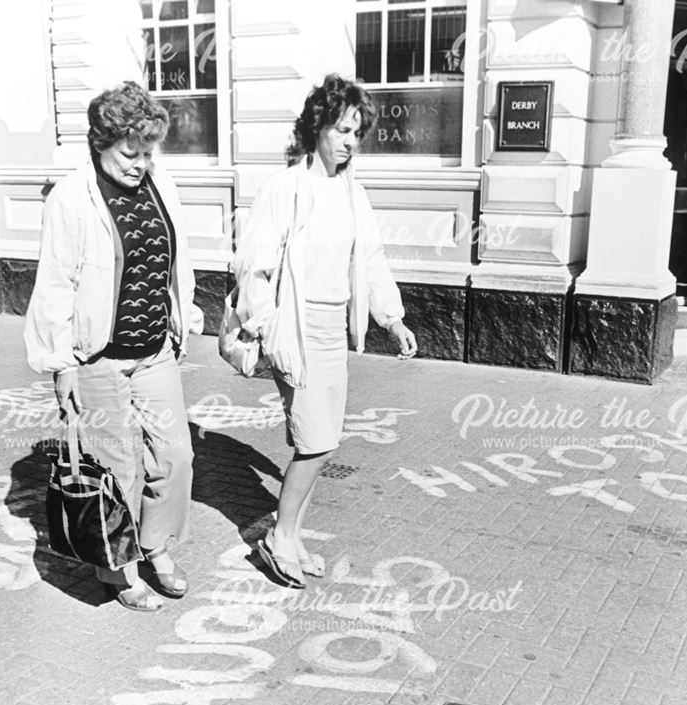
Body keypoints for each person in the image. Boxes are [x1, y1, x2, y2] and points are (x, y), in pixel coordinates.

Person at [232, 73, 417, 589]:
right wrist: (265, 327)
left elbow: (372, 258)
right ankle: (277, 537)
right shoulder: (286, 189)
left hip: (334, 328)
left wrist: (392, 317)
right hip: (295, 325)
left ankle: (290, 536)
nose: (348, 141)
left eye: (356, 132)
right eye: (339, 129)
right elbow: (255, 265)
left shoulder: (352, 193)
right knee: (314, 442)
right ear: (317, 127)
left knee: (324, 441)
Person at [24, 81, 195, 611]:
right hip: (96, 357)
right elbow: (55, 282)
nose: (140, 163)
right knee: (117, 467)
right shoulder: (72, 198)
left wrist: (181, 320)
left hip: (153, 349)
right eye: (130, 152)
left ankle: (155, 546)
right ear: (101, 142)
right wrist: (60, 365)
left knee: (175, 455)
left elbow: (175, 261)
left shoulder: (160, 184)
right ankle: (117, 571)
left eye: (148, 152)